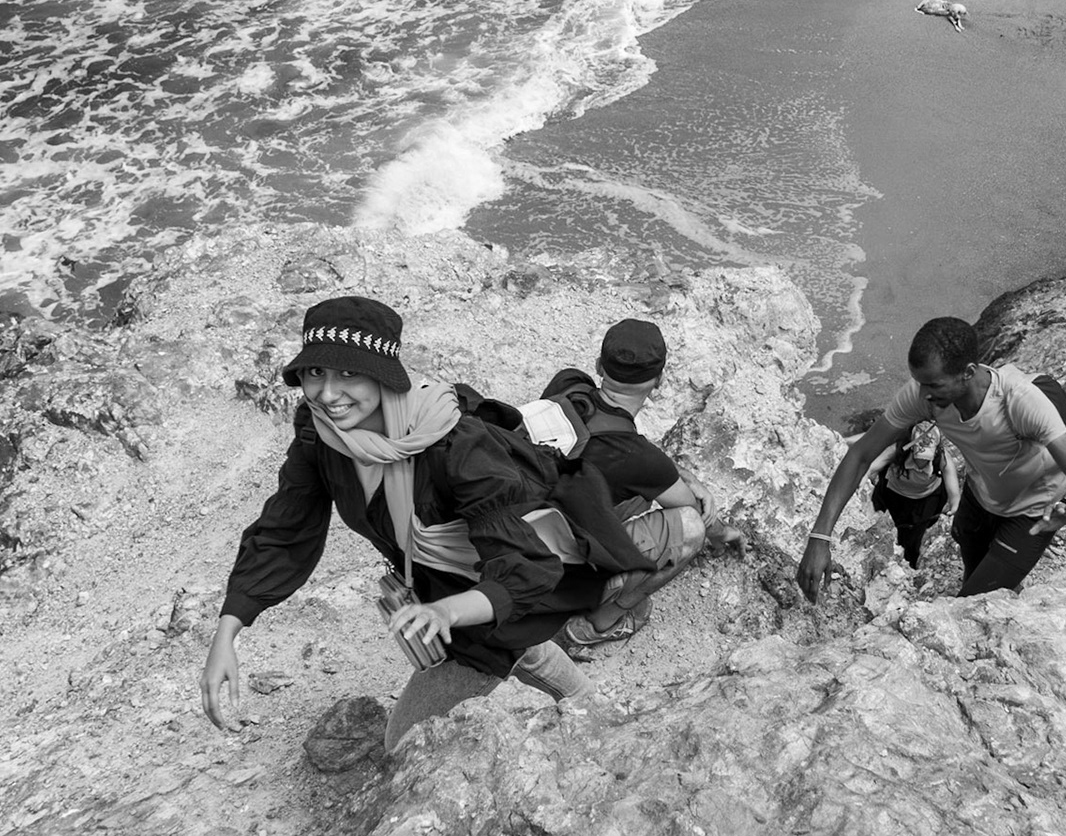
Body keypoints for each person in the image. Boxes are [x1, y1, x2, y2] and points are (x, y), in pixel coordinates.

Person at [200, 296, 659, 751]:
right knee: (515, 642)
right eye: (315, 372)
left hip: (491, 584)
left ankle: (580, 702)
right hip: (439, 586)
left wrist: (446, 613)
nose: (327, 393)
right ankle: (581, 695)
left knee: (404, 743)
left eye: (347, 372)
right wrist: (228, 631)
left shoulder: (455, 447)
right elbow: (287, 525)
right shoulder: (320, 435)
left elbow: (525, 568)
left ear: (383, 373)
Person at [797, 316, 1066, 601]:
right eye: (920, 382)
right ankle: (1000, 583)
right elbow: (861, 455)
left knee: (970, 605)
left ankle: (1003, 585)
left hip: (1032, 510)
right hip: (982, 491)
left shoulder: (1018, 402)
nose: (924, 393)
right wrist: (820, 536)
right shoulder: (925, 394)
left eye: (934, 385)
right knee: (972, 565)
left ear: (968, 373)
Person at [538, 318, 742, 648]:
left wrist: (681, 476)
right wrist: (723, 532)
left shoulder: (569, 385)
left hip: (524, 519)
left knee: (640, 496)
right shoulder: (639, 459)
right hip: (550, 568)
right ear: (659, 380)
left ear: (598, 365)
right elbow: (689, 509)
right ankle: (599, 623)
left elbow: (625, 454)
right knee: (690, 528)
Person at [865, 419, 961, 569]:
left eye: (926, 457)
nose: (921, 461)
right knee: (886, 527)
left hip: (924, 499)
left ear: (935, 450)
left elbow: (951, 481)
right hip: (893, 494)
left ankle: (910, 562)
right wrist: (864, 478)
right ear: (911, 447)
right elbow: (873, 466)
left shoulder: (941, 457)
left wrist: (955, 504)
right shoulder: (899, 449)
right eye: (919, 456)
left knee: (915, 535)